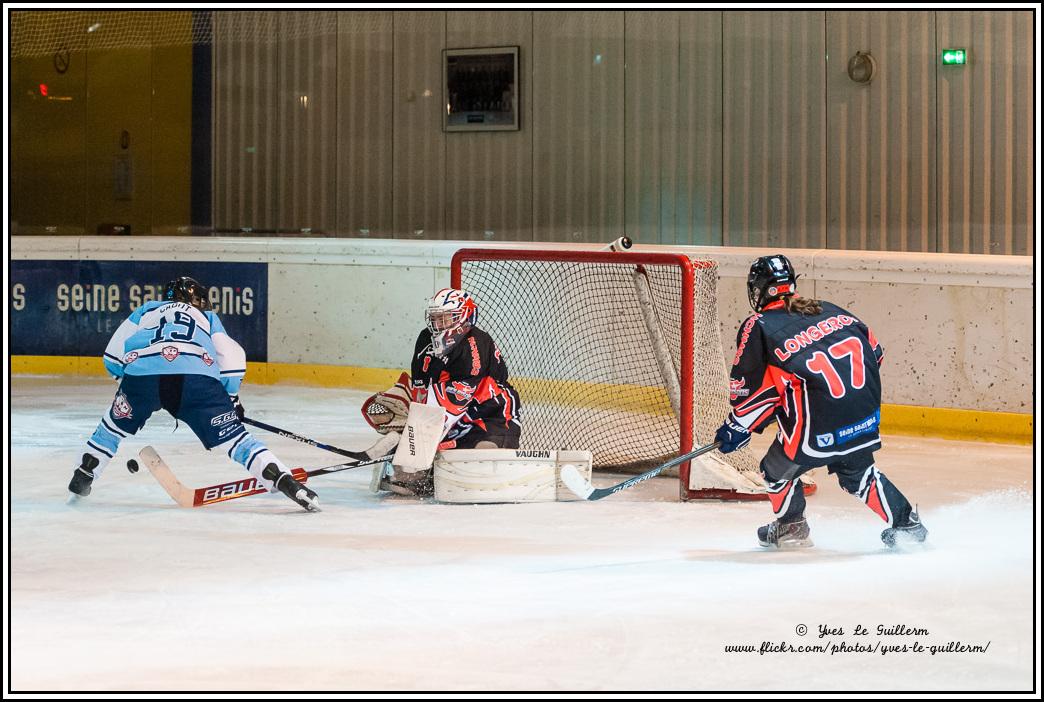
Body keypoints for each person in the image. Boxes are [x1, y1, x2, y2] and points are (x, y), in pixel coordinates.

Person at [715, 254, 927, 549]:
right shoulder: (830, 309)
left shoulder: (759, 325)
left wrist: (736, 427)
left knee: (775, 472)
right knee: (860, 475)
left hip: (816, 428)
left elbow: (751, 391)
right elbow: (875, 353)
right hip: (863, 417)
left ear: (760, 289)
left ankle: (791, 527)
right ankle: (907, 526)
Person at [67, 276, 319, 511]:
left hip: (142, 376)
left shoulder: (147, 310)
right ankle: (285, 481)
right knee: (238, 441)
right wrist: (231, 400)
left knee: (111, 428)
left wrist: (130, 382)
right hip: (195, 379)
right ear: (198, 300)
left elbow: (112, 357)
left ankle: (84, 474)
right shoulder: (206, 317)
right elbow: (232, 360)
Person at [363, 287, 522, 496]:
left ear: (465, 316)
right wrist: (410, 421)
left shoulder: (475, 345)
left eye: (446, 318)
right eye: (435, 318)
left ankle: (435, 465)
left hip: (490, 415)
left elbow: (455, 402)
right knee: (407, 474)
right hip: (450, 414)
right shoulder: (425, 338)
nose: (438, 325)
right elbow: (421, 386)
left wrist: (414, 433)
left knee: (480, 460)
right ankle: (424, 471)